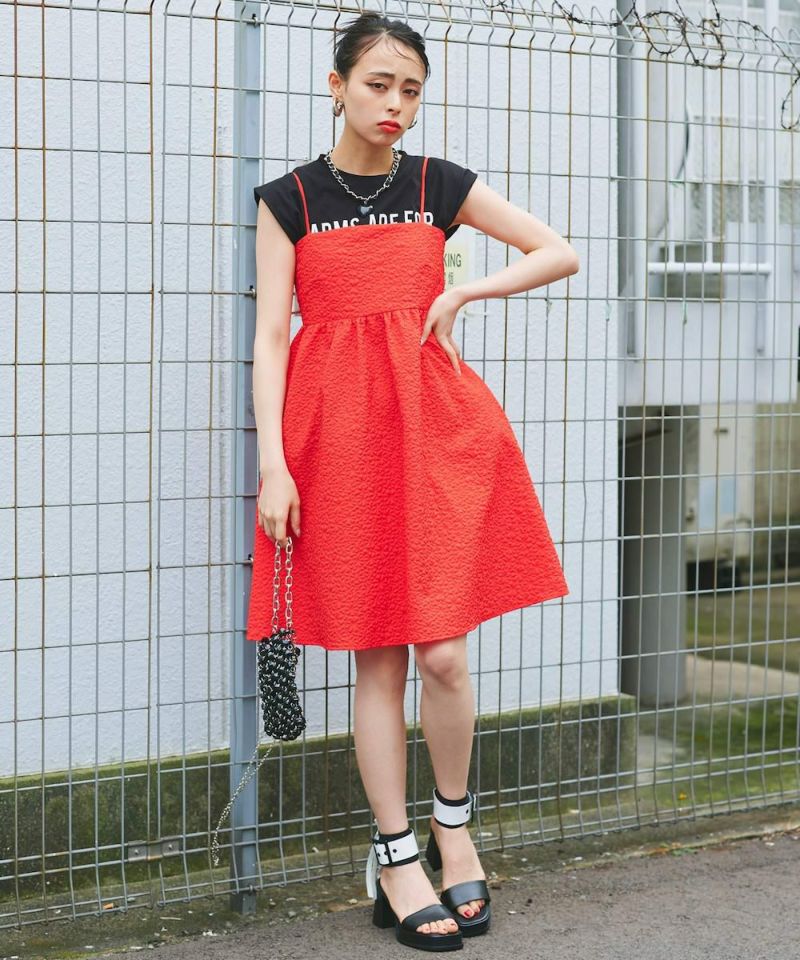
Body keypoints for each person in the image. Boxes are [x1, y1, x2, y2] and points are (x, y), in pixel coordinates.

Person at [246, 11, 579, 953]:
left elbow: (557, 250)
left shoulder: (439, 185)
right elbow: (271, 339)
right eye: (378, 84)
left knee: (443, 655)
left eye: (412, 90)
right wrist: (274, 464)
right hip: (336, 442)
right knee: (377, 658)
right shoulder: (290, 198)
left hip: (432, 430)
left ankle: (452, 825)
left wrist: (465, 289)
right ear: (337, 86)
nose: (395, 103)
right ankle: (395, 857)